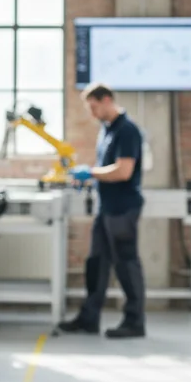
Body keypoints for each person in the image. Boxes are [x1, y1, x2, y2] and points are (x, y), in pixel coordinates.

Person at [58, 83, 147, 339]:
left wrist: (91, 172)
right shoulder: (106, 131)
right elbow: (107, 167)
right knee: (96, 263)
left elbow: (123, 170)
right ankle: (89, 318)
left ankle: (134, 321)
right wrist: (88, 176)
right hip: (106, 207)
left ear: (107, 100)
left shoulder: (127, 131)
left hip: (123, 209)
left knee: (126, 264)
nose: (92, 113)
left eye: (94, 107)